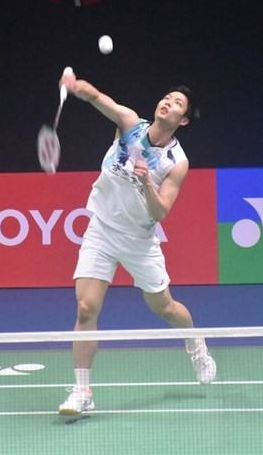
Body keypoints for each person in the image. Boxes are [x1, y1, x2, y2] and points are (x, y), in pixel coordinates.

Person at [56, 72, 216, 417]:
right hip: (101, 229)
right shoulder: (130, 123)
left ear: (183, 120)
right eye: (167, 97)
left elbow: (160, 213)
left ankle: (196, 343)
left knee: (166, 308)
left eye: (177, 103)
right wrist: (74, 86)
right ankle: (82, 390)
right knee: (86, 309)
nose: (168, 103)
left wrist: (146, 182)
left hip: (139, 240)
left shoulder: (177, 163)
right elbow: (97, 96)